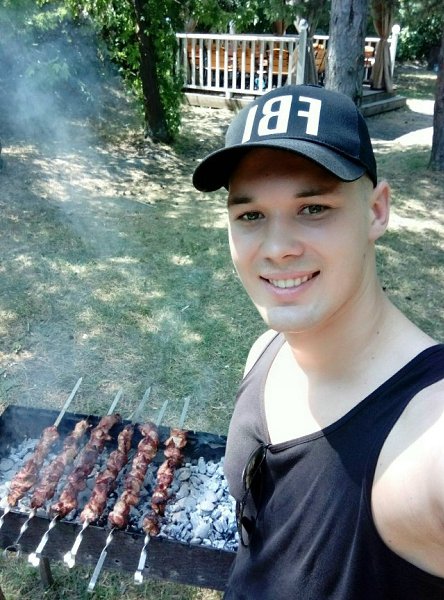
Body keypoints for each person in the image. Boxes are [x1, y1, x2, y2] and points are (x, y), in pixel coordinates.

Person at [192, 84, 444, 599]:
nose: (277, 248)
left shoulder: (427, 441)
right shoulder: (264, 353)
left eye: (313, 208)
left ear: (376, 211)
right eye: (250, 215)